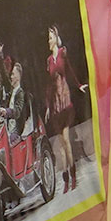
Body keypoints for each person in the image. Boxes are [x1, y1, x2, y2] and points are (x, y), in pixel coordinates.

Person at [44, 25, 77, 190]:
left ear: (56, 37)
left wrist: (78, 86)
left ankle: (73, 177)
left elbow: (69, 70)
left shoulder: (63, 53)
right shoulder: (49, 61)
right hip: (56, 104)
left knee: (66, 141)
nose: (48, 41)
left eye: (50, 37)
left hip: (64, 100)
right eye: (48, 38)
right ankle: (66, 181)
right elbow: (49, 86)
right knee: (62, 146)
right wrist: (48, 106)